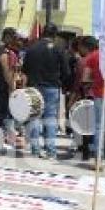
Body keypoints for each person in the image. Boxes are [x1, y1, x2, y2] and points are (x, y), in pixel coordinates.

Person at [22, 24, 71, 159]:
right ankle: (50, 151)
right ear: (54, 35)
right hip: (52, 87)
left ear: (43, 33)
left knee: (34, 117)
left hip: (34, 87)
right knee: (50, 118)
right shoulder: (59, 49)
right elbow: (66, 71)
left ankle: (35, 149)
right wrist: (64, 83)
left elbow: (24, 70)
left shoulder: (31, 49)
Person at [0, 28, 21, 146]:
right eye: (13, 38)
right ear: (7, 37)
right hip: (3, 86)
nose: (14, 40)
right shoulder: (3, 52)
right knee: (2, 113)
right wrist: (11, 87)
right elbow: (6, 70)